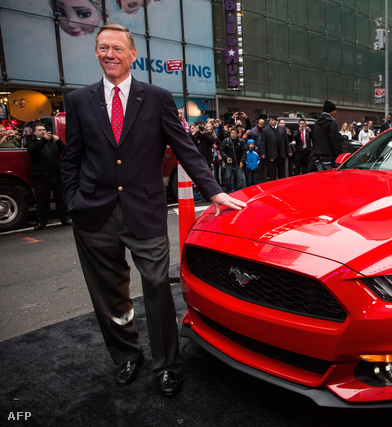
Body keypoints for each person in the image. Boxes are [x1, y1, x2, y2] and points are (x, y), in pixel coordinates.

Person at [61, 23, 246, 397]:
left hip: (144, 211)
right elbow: (72, 157)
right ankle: (126, 355)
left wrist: (213, 192)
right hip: (93, 214)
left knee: (158, 288)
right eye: (102, 47)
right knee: (108, 293)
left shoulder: (158, 97)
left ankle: (167, 365)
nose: (109, 54)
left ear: (132, 55)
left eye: (116, 48)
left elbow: (184, 148)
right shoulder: (79, 100)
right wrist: (72, 202)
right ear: (96, 53)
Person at [27, 123, 72, 230]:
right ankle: (41, 222)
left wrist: (59, 141)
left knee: (61, 198)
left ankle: (65, 218)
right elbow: (33, 151)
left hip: (56, 174)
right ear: (35, 133)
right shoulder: (33, 143)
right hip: (42, 176)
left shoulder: (52, 143)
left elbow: (65, 151)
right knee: (42, 200)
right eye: (39, 130)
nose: (42, 131)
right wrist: (44, 140)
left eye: (44, 129)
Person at [311, 100, 342, 171]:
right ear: (331, 111)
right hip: (329, 155)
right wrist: (338, 154)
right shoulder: (331, 123)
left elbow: (314, 138)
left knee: (322, 177)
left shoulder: (316, 123)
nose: (336, 112)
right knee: (332, 177)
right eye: (334, 110)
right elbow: (334, 140)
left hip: (317, 154)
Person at [262, 115, 291, 180]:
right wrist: (263, 153)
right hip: (271, 153)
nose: (271, 121)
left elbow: (286, 140)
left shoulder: (282, 129)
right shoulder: (265, 130)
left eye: (272, 120)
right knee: (272, 173)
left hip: (281, 153)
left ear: (276, 121)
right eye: (270, 120)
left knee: (282, 172)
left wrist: (289, 150)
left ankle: (281, 184)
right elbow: (263, 142)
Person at [220, 127, 247, 193]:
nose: (232, 134)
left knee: (240, 178)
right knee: (228, 178)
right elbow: (222, 150)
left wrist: (242, 161)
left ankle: (238, 191)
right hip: (229, 163)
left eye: (234, 133)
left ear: (237, 134)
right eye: (231, 133)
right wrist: (226, 157)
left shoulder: (241, 141)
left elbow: (244, 152)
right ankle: (230, 191)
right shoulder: (226, 141)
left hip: (238, 163)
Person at [249, 118, 267, 183]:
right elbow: (252, 142)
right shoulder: (253, 131)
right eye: (260, 124)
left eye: (263, 124)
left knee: (264, 168)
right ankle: (258, 181)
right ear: (257, 124)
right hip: (256, 152)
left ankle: (264, 180)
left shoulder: (264, 130)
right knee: (258, 168)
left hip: (264, 151)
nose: (261, 126)